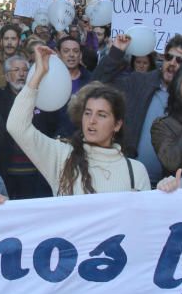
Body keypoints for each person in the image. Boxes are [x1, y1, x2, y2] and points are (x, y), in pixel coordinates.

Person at [9, 46, 150, 195]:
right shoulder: (61, 156)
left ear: (117, 125)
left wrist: (166, 192)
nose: (92, 120)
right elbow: (16, 126)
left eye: (101, 115)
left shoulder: (135, 171)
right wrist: (38, 74)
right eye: (88, 113)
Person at [92, 32, 182, 184]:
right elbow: (98, 82)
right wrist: (116, 53)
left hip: (168, 185)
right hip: (129, 179)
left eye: (179, 60)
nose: (172, 63)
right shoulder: (139, 82)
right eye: (168, 57)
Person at [0, 55, 57, 199]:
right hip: (7, 171)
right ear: (6, 76)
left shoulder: (43, 99)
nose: (22, 74)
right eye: (16, 70)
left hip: (38, 171)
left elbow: (54, 125)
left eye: (25, 70)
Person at [55, 35, 94, 138]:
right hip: (55, 140)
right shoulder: (50, 79)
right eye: (66, 51)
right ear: (58, 54)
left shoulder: (91, 80)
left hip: (83, 139)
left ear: (80, 55)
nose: (71, 55)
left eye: (75, 51)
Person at [0, 24, 23, 89]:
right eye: (6, 38)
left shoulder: (28, 65)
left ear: (19, 41)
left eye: (13, 39)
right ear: (1, 41)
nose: (9, 42)